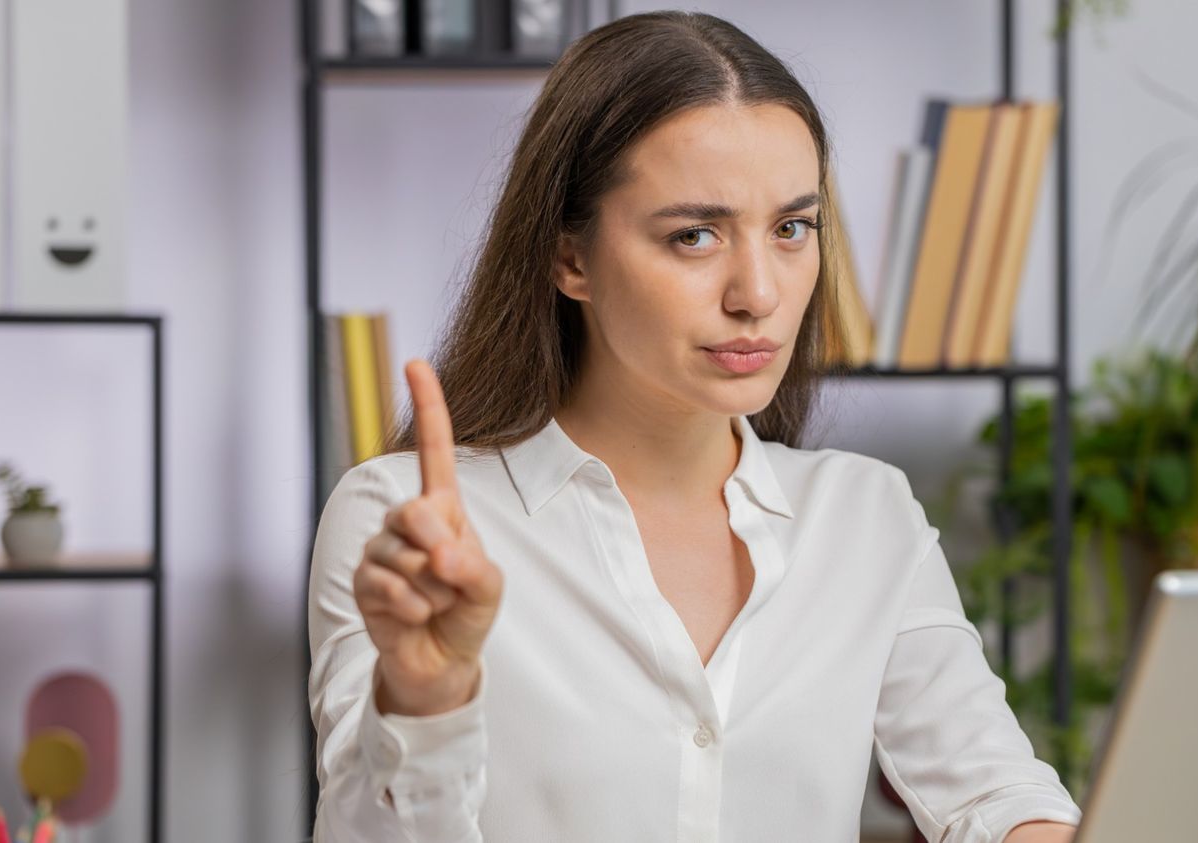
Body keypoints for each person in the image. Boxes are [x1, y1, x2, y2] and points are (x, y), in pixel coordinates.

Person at [306, 10, 1081, 842]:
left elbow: (995, 796)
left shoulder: (864, 516)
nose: (758, 292)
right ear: (571, 258)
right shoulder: (410, 520)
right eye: (695, 235)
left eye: (792, 228)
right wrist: (426, 699)